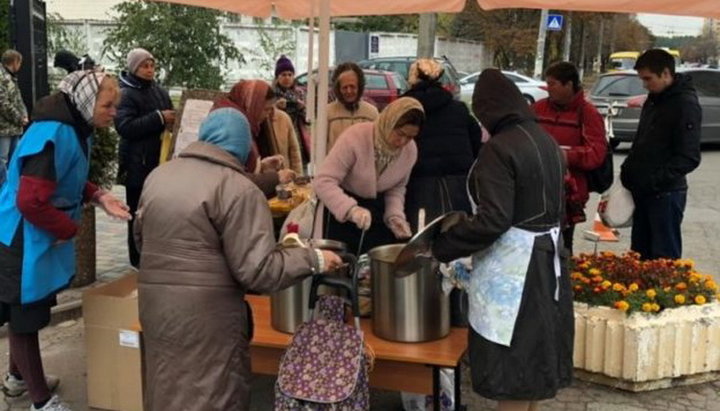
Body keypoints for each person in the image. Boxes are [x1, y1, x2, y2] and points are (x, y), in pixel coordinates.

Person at [134, 107, 342, 411]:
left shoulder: (159, 176)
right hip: (209, 319)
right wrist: (314, 259)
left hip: (156, 307)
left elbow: (141, 240)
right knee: (213, 392)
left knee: (167, 385)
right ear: (242, 146)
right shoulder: (240, 191)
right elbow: (258, 271)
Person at [432, 69, 573, 411]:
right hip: (548, 259)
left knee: (513, 363)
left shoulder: (499, 149)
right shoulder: (546, 139)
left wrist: (445, 244)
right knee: (535, 356)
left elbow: (493, 219)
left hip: (516, 269)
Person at [0, 70, 131, 411]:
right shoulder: (54, 132)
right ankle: (41, 402)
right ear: (87, 101)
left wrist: (101, 196)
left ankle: (19, 380)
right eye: (108, 105)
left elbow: (66, 178)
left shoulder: (72, 126)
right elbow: (29, 201)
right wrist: (67, 229)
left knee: (28, 308)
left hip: (31, 233)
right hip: (19, 237)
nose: (113, 112)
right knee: (24, 315)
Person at [314, 97, 423, 255]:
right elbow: (323, 182)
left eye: (410, 137)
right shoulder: (355, 137)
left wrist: (395, 216)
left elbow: (397, 187)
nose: (403, 142)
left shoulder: (410, 151)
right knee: (342, 268)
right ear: (389, 122)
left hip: (377, 215)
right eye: (400, 134)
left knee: (372, 269)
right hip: (341, 211)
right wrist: (351, 210)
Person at [620, 49, 702, 260]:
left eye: (648, 79)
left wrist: (653, 181)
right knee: (639, 255)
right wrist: (628, 170)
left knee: (663, 259)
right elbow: (642, 140)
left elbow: (689, 156)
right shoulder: (655, 99)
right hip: (643, 191)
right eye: (642, 80)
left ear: (666, 73)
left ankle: (664, 293)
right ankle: (642, 293)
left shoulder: (684, 104)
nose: (645, 85)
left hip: (665, 194)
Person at [532, 61, 606, 255]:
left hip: (568, 193)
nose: (548, 89)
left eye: (553, 84)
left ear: (569, 85)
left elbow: (596, 154)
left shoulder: (588, 114)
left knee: (562, 247)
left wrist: (564, 155)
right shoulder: (537, 109)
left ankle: (563, 281)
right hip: (536, 190)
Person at [403, 58, 483, 231]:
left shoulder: (403, 110)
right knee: (456, 239)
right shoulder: (459, 109)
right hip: (458, 187)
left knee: (419, 241)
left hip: (417, 185)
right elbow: (476, 144)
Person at [114, 48, 174, 268]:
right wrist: (158, 118)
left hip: (159, 161)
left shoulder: (159, 91)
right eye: (144, 66)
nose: (149, 70)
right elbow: (125, 126)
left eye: (152, 65)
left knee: (158, 211)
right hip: (137, 164)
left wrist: (170, 121)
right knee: (137, 211)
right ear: (134, 68)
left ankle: (155, 253)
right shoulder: (126, 94)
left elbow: (170, 113)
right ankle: (137, 257)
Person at [213, 80, 296, 196]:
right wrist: (276, 178)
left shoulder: (241, 122)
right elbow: (232, 180)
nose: (268, 115)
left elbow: (237, 167)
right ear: (252, 105)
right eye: (266, 109)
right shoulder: (231, 129)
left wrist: (261, 166)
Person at [326, 62, 379, 152]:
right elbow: (317, 146)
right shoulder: (327, 113)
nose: (349, 91)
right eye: (345, 87)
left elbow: (378, 145)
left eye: (352, 86)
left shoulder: (371, 113)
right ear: (338, 89)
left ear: (359, 87)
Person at [273, 55, 309, 165]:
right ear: (277, 77)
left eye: (290, 74)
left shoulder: (299, 93)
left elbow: (308, 120)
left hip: (297, 133)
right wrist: (276, 107)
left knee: (297, 161)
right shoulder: (272, 94)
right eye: (283, 75)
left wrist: (302, 108)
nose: (287, 78)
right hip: (278, 133)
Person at [0, 50, 28, 182]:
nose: (20, 65)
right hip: (4, 128)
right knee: (2, 160)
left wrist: (24, 114)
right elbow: (3, 103)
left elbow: (18, 99)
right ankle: (4, 188)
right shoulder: (2, 78)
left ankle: (11, 186)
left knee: (13, 158)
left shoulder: (10, 77)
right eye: (20, 62)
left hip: (14, 127)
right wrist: (19, 117)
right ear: (14, 62)